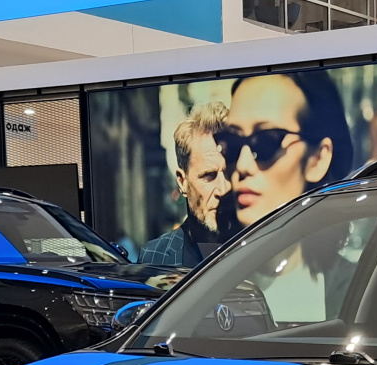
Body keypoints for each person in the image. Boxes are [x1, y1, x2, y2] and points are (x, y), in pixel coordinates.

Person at [218, 71, 355, 323]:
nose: (243, 165)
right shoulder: (202, 286)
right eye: (233, 143)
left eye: (266, 142)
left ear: (318, 158)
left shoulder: (364, 290)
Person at [139, 102, 230, 266]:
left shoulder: (268, 249)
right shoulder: (154, 258)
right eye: (208, 176)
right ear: (182, 182)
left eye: (229, 174)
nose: (223, 189)